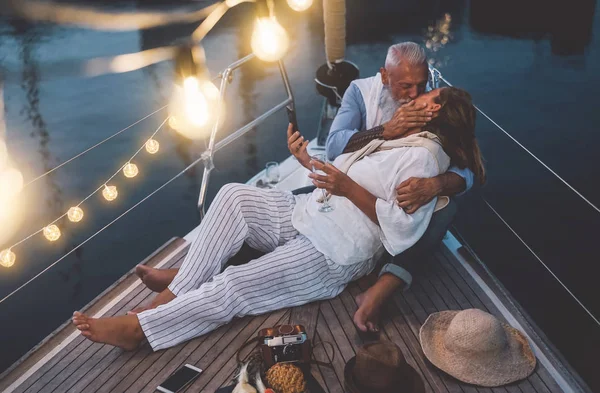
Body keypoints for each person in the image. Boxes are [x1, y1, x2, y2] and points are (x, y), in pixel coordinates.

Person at [72, 87, 485, 351]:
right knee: (234, 195)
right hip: (312, 213)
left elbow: (399, 233)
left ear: (435, 112)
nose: (418, 94)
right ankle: (176, 292)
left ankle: (142, 329)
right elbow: (347, 172)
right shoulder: (403, 139)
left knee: (236, 284)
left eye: (429, 94)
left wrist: (347, 188)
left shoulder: (425, 158)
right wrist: (308, 160)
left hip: (334, 253)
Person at [319, 42, 477, 332]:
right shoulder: (359, 92)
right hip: (351, 190)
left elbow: (467, 169)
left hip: (393, 204)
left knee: (446, 207)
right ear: (384, 76)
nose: (414, 94)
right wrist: (384, 131)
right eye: (405, 86)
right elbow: (332, 147)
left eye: (421, 85)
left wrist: (435, 183)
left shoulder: (432, 104)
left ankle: (385, 284)